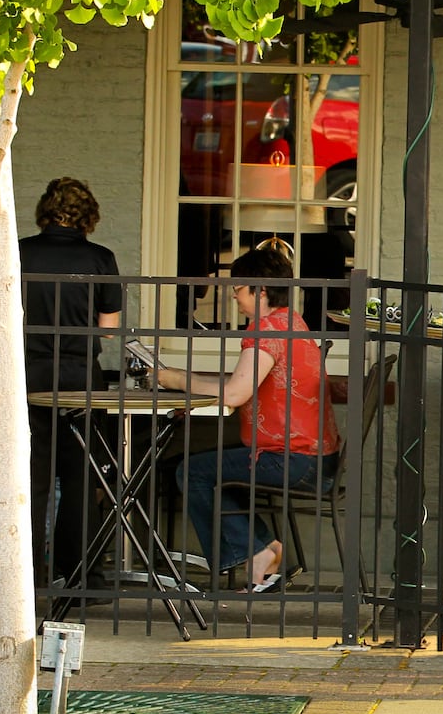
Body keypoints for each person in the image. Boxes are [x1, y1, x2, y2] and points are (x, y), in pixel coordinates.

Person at [155, 243, 339, 591]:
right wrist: (186, 379)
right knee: (214, 468)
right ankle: (261, 548)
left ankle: (252, 551)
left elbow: (236, 394)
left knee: (192, 471)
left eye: (237, 289)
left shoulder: (266, 330)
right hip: (315, 459)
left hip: (292, 460)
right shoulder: (292, 324)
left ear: (261, 290)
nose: (234, 298)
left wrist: (178, 379)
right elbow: (240, 384)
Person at [20, 176, 124, 586]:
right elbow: (109, 331)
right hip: (81, 373)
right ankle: (81, 574)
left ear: (45, 211)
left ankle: (25, 576)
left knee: (30, 475)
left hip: (30, 371)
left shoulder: (20, 252)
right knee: (81, 475)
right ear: (89, 216)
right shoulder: (101, 258)